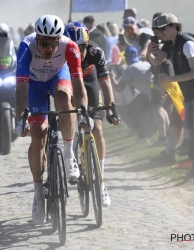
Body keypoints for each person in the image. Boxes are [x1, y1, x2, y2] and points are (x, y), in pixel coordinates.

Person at [15, 14, 89, 224]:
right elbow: (20, 90)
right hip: (34, 85)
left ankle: (68, 156)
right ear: (37, 39)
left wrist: (82, 108)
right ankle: (38, 195)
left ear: (60, 40)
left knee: (64, 99)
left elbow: (79, 86)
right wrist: (21, 117)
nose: (47, 48)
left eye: (52, 43)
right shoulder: (26, 47)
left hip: (58, 77)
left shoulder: (70, 47)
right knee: (38, 137)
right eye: (44, 43)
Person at [64, 21, 121, 207]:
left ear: (87, 44)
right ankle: (72, 150)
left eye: (80, 47)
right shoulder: (61, 55)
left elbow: (106, 83)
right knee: (71, 116)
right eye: (72, 47)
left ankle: (102, 183)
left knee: (97, 129)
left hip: (89, 80)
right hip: (69, 80)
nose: (77, 52)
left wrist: (111, 107)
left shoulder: (96, 52)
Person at [147, 13, 194, 178]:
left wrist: (171, 79)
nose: (160, 33)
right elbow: (156, 61)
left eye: (163, 29)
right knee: (190, 126)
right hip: (190, 90)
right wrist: (149, 53)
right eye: (157, 30)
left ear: (174, 26)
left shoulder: (187, 43)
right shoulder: (170, 43)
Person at [111, 46, 153, 142]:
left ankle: (143, 137)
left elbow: (119, 88)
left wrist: (112, 78)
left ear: (126, 58)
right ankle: (146, 133)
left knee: (130, 110)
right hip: (156, 91)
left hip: (148, 94)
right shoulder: (145, 63)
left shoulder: (129, 69)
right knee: (137, 109)